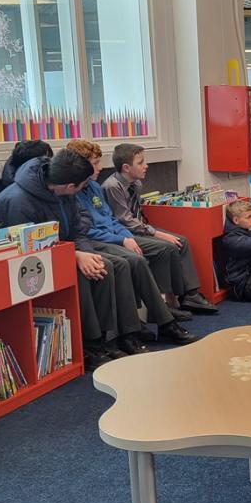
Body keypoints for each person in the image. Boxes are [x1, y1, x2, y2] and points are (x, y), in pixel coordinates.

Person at [0, 149, 126, 369]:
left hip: (61, 251)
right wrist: (74, 255)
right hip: (25, 264)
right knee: (79, 276)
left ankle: (103, 339)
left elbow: (78, 230)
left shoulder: (63, 192)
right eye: (82, 185)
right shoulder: (18, 201)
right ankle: (89, 345)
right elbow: (27, 249)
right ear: (70, 186)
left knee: (100, 266)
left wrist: (85, 252)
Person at [66, 140, 198, 349]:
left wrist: (126, 237)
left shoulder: (93, 187)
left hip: (115, 235)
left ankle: (164, 315)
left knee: (156, 251)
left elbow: (111, 219)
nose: (100, 167)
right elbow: (86, 230)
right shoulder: (73, 192)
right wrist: (122, 239)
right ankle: (159, 323)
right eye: (95, 163)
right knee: (134, 261)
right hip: (97, 241)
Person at [101, 143, 218, 315]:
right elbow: (125, 220)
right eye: (141, 162)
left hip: (139, 226)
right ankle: (165, 303)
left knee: (182, 241)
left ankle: (190, 295)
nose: (146, 165)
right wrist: (156, 233)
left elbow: (137, 215)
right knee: (167, 246)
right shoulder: (112, 187)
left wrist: (153, 231)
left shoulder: (136, 183)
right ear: (126, 167)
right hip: (125, 232)